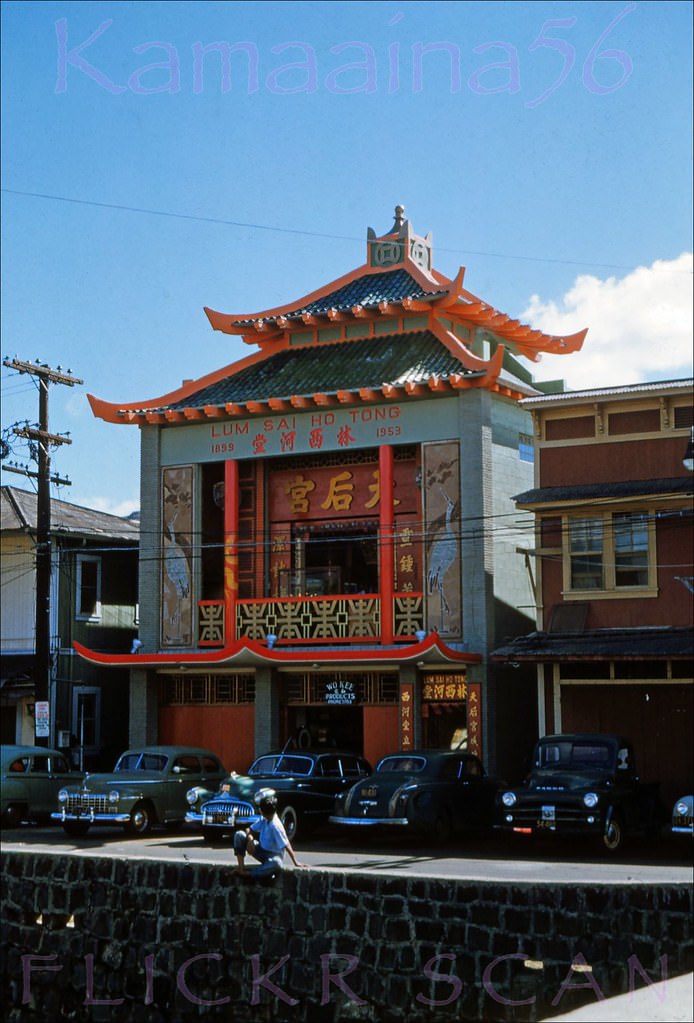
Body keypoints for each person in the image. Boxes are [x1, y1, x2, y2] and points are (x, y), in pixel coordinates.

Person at [232, 791, 306, 879]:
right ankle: (241, 868)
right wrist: (250, 840)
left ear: (262, 811)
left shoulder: (276, 826)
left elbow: (286, 844)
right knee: (239, 835)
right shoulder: (263, 819)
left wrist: (295, 862)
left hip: (273, 856)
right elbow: (249, 829)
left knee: (276, 864)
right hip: (261, 850)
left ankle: (249, 874)